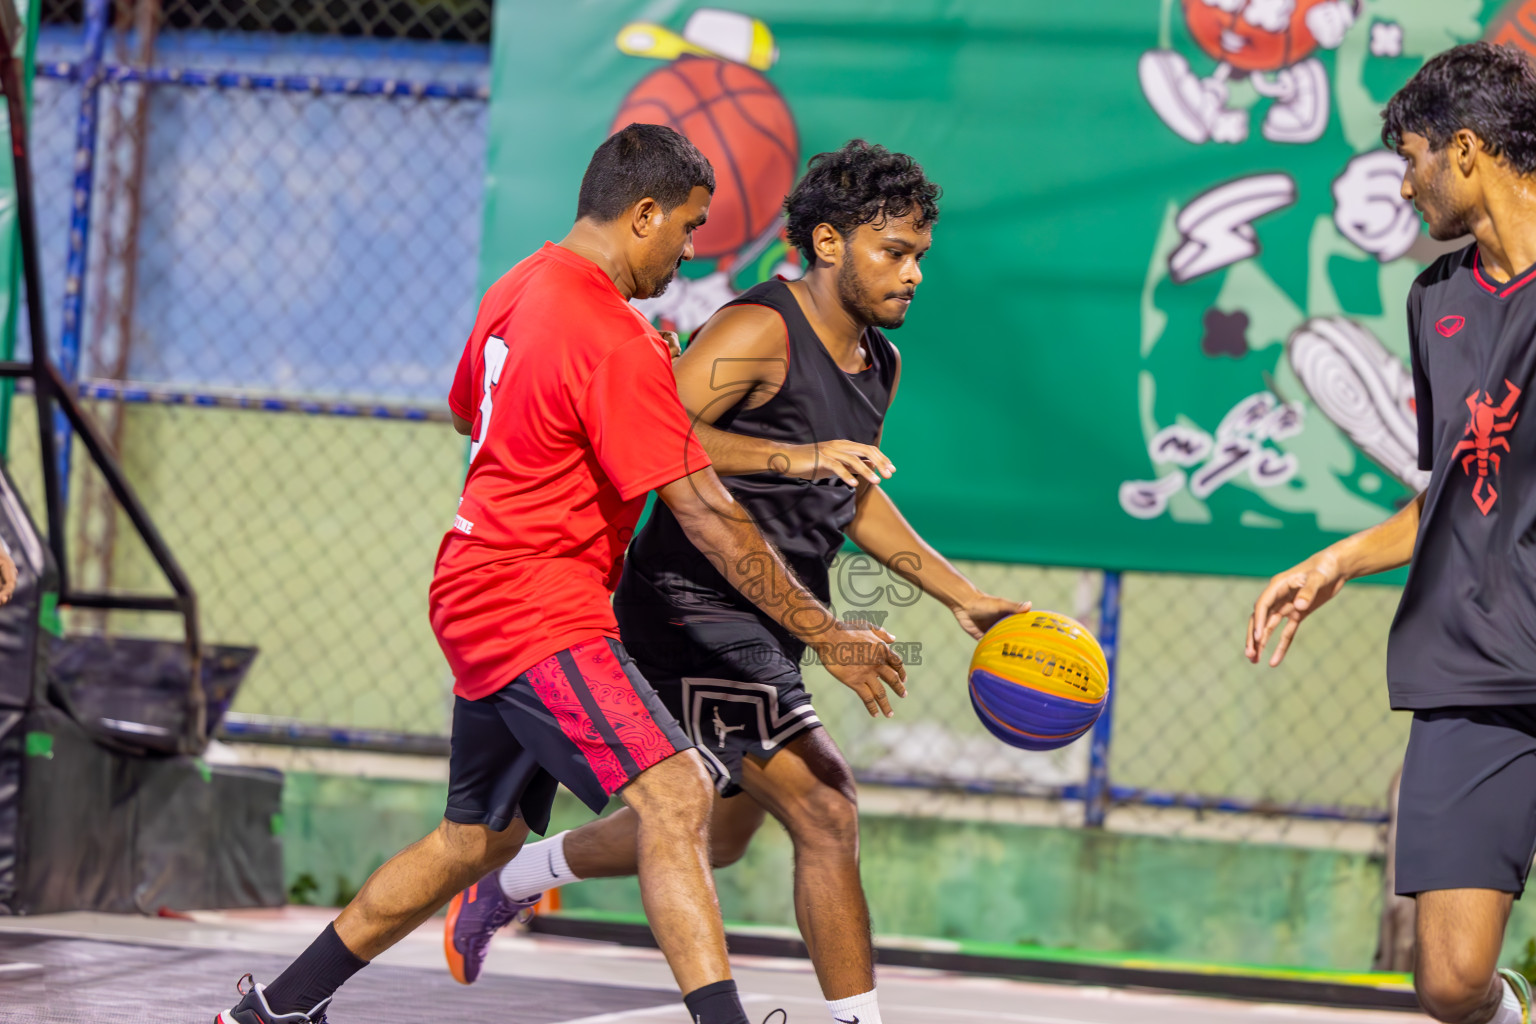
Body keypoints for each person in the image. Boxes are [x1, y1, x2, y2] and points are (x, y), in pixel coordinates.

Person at [217, 123, 903, 1024]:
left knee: (476, 838)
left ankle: (275, 1008)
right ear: (644, 212)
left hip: (474, 582)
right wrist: (831, 634)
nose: (692, 249)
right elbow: (705, 511)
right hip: (535, 603)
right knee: (679, 790)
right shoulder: (611, 335)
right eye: (689, 228)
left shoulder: (519, 287)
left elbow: (471, 414)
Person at [447, 140, 1028, 1024]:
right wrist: (796, 458)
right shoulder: (760, 330)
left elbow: (853, 495)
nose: (913, 274)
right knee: (828, 808)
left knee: (718, 831)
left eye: (919, 257)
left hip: (771, 610)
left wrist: (962, 597)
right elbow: (653, 435)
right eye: (894, 252)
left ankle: (516, 879)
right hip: (691, 604)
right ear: (828, 244)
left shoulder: (879, 360)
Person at [1248, 42, 1536, 1024]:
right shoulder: (1437, 300)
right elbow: (1454, 484)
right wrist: (1338, 558)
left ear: (1466, 151)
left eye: (1411, 158)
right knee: (1451, 981)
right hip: (1473, 670)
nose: (1404, 185)